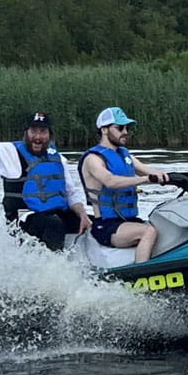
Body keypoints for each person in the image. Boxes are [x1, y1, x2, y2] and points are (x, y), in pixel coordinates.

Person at [0, 92, 91, 252]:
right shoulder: (10, 152)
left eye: (43, 132)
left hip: (53, 213)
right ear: (26, 133)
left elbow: (71, 194)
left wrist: (83, 215)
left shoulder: (59, 160)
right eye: (34, 131)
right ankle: (54, 269)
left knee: (92, 222)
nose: (38, 137)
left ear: (50, 135)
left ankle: (100, 264)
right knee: (54, 224)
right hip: (23, 218)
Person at [78, 106, 170, 264]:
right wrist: (146, 179)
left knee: (166, 228)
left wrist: (184, 177)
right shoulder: (93, 158)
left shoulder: (124, 154)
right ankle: (142, 275)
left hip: (129, 220)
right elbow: (110, 181)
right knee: (148, 231)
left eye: (127, 128)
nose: (125, 132)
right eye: (120, 128)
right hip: (106, 226)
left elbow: (147, 170)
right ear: (104, 130)